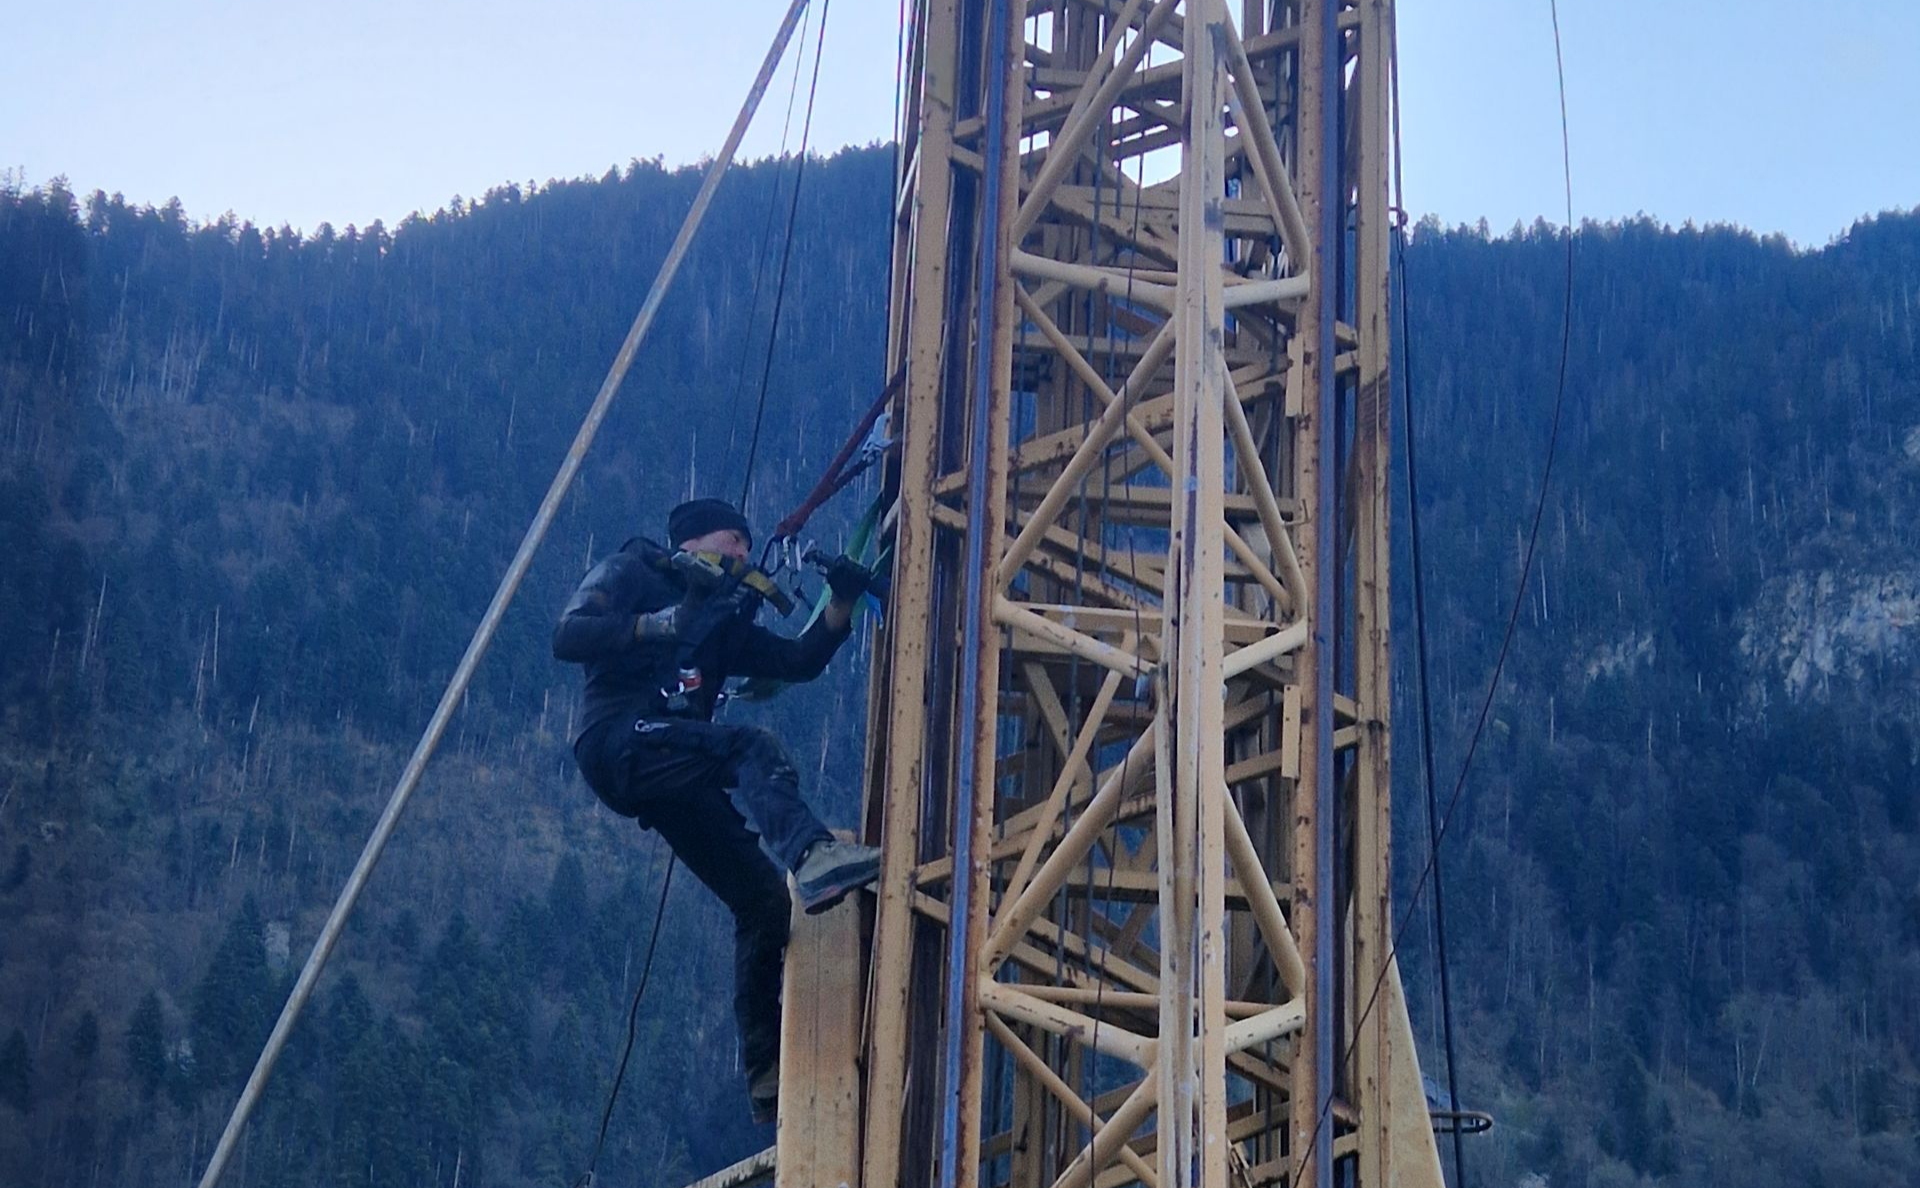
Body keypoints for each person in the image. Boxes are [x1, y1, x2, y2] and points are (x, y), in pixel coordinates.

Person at [553, 497, 882, 1125]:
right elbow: (567, 634)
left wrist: (839, 604)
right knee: (749, 747)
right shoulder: (635, 570)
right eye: (736, 542)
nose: (742, 556)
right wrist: (664, 622)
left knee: (761, 902)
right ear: (703, 539)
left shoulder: (723, 621)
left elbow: (795, 662)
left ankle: (765, 1074)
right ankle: (812, 854)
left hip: (668, 766)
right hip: (619, 739)